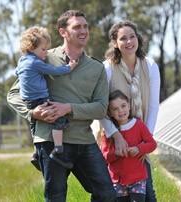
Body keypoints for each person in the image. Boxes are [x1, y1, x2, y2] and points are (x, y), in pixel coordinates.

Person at [7, 10, 116, 202]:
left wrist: (68, 108)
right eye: (77, 27)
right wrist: (33, 113)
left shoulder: (96, 68)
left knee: (107, 194)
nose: (83, 31)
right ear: (63, 32)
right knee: (56, 198)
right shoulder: (42, 58)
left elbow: (100, 108)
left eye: (85, 26)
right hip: (49, 141)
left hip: (84, 141)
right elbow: (14, 94)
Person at [99, 20, 160, 202]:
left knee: (147, 192)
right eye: (123, 38)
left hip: (139, 134)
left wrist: (144, 142)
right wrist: (116, 135)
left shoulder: (149, 66)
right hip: (113, 136)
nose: (128, 42)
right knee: (116, 193)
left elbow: (153, 105)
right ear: (115, 43)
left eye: (132, 36)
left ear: (138, 39)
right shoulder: (108, 68)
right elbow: (100, 108)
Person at [16, 26, 77, 170]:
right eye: (43, 49)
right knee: (60, 119)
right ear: (31, 47)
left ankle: (36, 153)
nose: (46, 52)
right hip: (40, 99)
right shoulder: (35, 62)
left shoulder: (22, 61)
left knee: (34, 124)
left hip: (28, 102)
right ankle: (58, 150)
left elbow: (17, 72)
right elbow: (53, 71)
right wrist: (69, 67)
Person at [101, 90, 157, 202]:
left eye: (123, 106)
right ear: (110, 113)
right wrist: (116, 153)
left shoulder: (139, 125)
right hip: (118, 181)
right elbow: (104, 157)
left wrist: (139, 149)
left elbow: (152, 144)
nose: (120, 111)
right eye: (115, 109)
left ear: (129, 106)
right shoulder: (109, 132)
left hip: (138, 179)